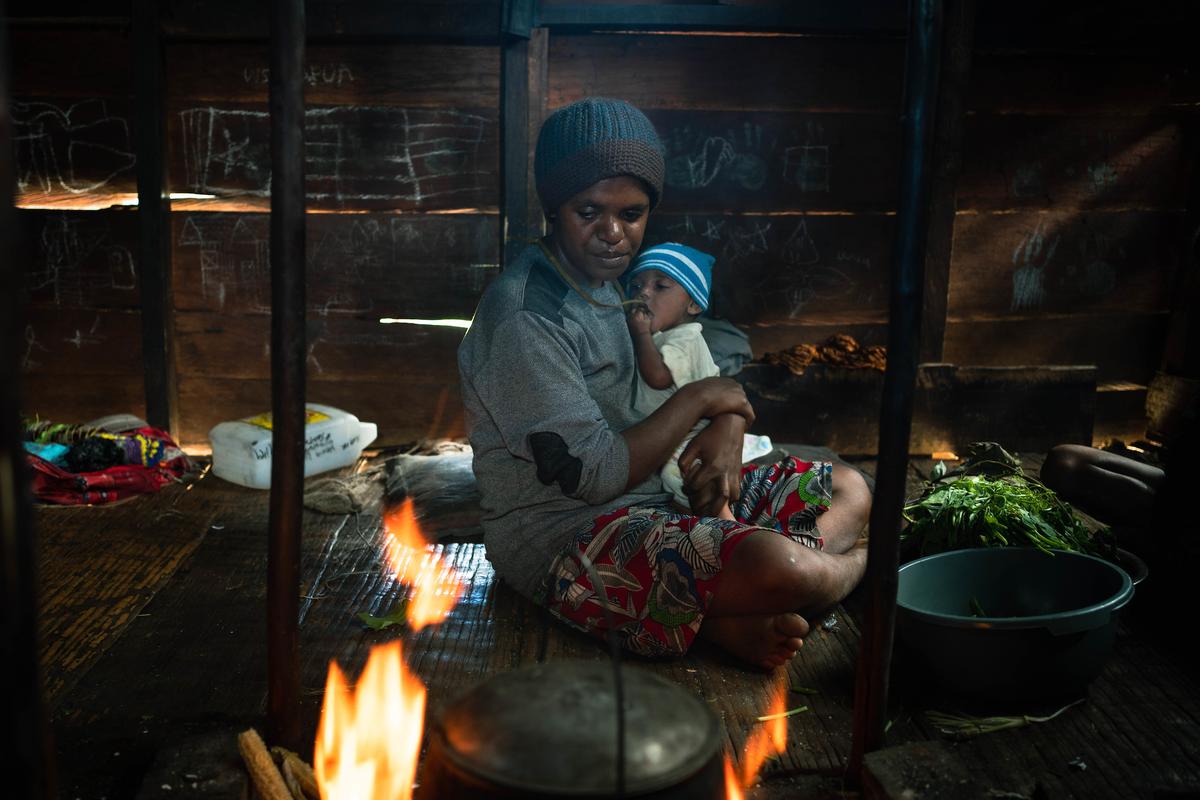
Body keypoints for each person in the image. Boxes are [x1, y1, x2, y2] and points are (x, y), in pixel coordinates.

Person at [457, 96, 870, 669]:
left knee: (849, 489)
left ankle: (717, 611)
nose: (612, 233)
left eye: (631, 214)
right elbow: (596, 474)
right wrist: (702, 399)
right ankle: (837, 574)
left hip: (664, 493)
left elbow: (698, 365)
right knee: (787, 567)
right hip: (567, 536)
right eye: (588, 211)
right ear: (553, 207)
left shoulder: (615, 285)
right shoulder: (527, 319)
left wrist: (728, 421)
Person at [624, 242, 735, 520]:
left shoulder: (685, 338)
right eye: (636, 286)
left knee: (689, 483)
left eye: (660, 287)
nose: (644, 293)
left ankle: (727, 528)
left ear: (694, 304)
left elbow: (659, 377)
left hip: (690, 437)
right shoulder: (664, 337)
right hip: (670, 434)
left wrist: (641, 335)